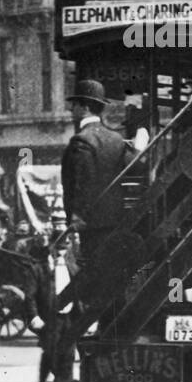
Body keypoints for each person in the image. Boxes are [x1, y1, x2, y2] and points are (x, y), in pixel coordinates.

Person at [60, 80, 129, 274]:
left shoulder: (81, 140)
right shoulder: (116, 139)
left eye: (74, 105)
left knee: (91, 274)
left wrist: (76, 216)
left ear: (85, 107)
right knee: (109, 272)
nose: (70, 109)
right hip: (114, 220)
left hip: (89, 225)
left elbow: (82, 183)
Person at [28, 215, 77, 382]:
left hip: (70, 316)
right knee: (51, 352)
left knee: (69, 354)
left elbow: (79, 291)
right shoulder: (39, 269)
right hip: (50, 317)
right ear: (51, 247)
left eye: (64, 249)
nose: (61, 253)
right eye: (58, 249)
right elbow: (30, 296)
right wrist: (34, 317)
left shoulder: (71, 267)